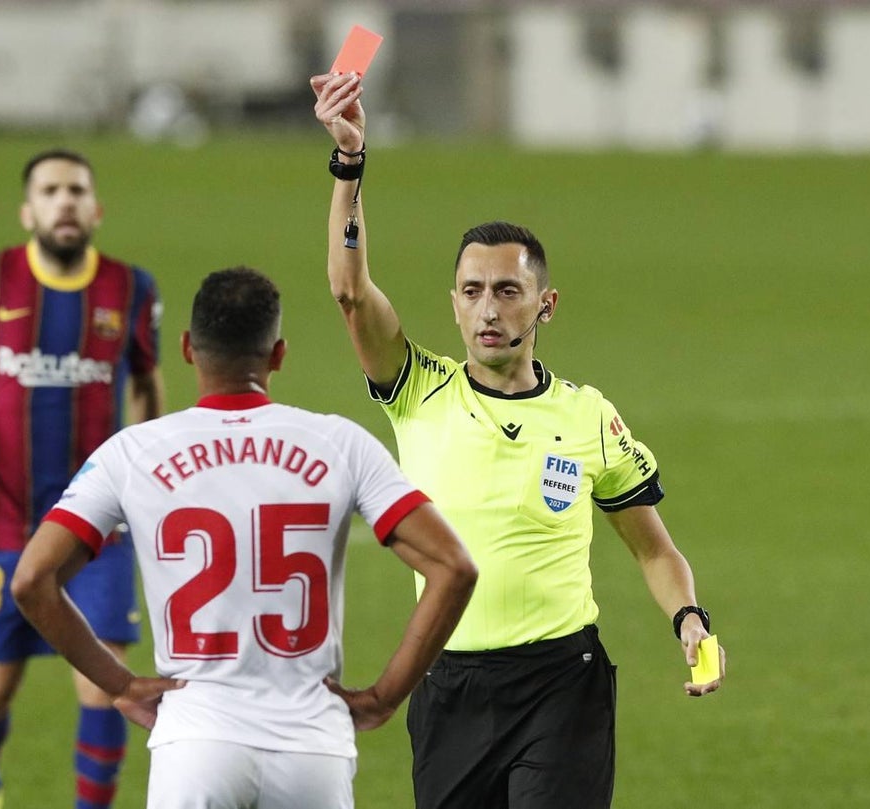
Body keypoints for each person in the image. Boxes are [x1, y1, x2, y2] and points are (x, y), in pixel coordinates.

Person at [311, 72, 726, 809]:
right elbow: (350, 290)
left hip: (563, 684)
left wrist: (689, 617)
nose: (488, 310)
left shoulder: (589, 415)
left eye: (508, 290)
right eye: (472, 292)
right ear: (454, 303)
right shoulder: (418, 388)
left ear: (545, 304)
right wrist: (350, 164)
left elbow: (652, 547)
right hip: (449, 685)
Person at [11, 267, 478, 809]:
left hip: (195, 746)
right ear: (278, 353)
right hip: (312, 747)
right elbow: (454, 566)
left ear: (187, 349)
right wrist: (383, 697)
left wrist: (118, 684)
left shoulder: (133, 452)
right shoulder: (340, 443)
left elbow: (31, 580)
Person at [0, 148, 165, 809]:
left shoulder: (131, 289)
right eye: (51, 190)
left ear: (96, 209)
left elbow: (147, 383)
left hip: (97, 530)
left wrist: (146, 470)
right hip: (4, 521)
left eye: (77, 190)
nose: (65, 200)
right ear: (28, 210)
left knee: (104, 684)